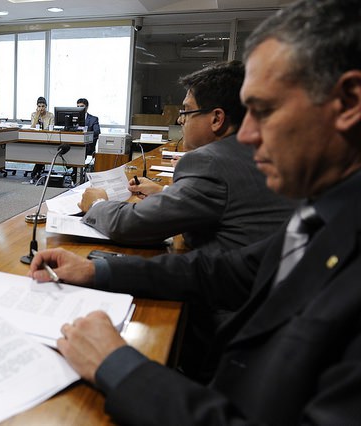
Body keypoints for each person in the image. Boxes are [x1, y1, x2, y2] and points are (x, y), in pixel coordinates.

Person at [30, 0, 361, 423]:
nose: (250, 136)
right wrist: (98, 271)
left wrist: (117, 365)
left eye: (264, 111)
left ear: (348, 102)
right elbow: (222, 273)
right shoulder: (324, 210)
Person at [79, 61, 295, 253]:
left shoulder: (210, 162)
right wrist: (165, 192)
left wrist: (97, 204)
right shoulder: (258, 152)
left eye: (186, 111)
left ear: (217, 119)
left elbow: (135, 226)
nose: (181, 121)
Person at [30, 96, 56, 181]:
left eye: (43, 106)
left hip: (48, 138)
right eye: (39, 106)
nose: (41, 108)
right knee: (38, 149)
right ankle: (37, 170)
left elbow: (51, 128)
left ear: (46, 106)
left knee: (43, 150)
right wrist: (37, 116)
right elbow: (33, 127)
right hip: (36, 138)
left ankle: (36, 170)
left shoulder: (50, 115)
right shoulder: (34, 114)